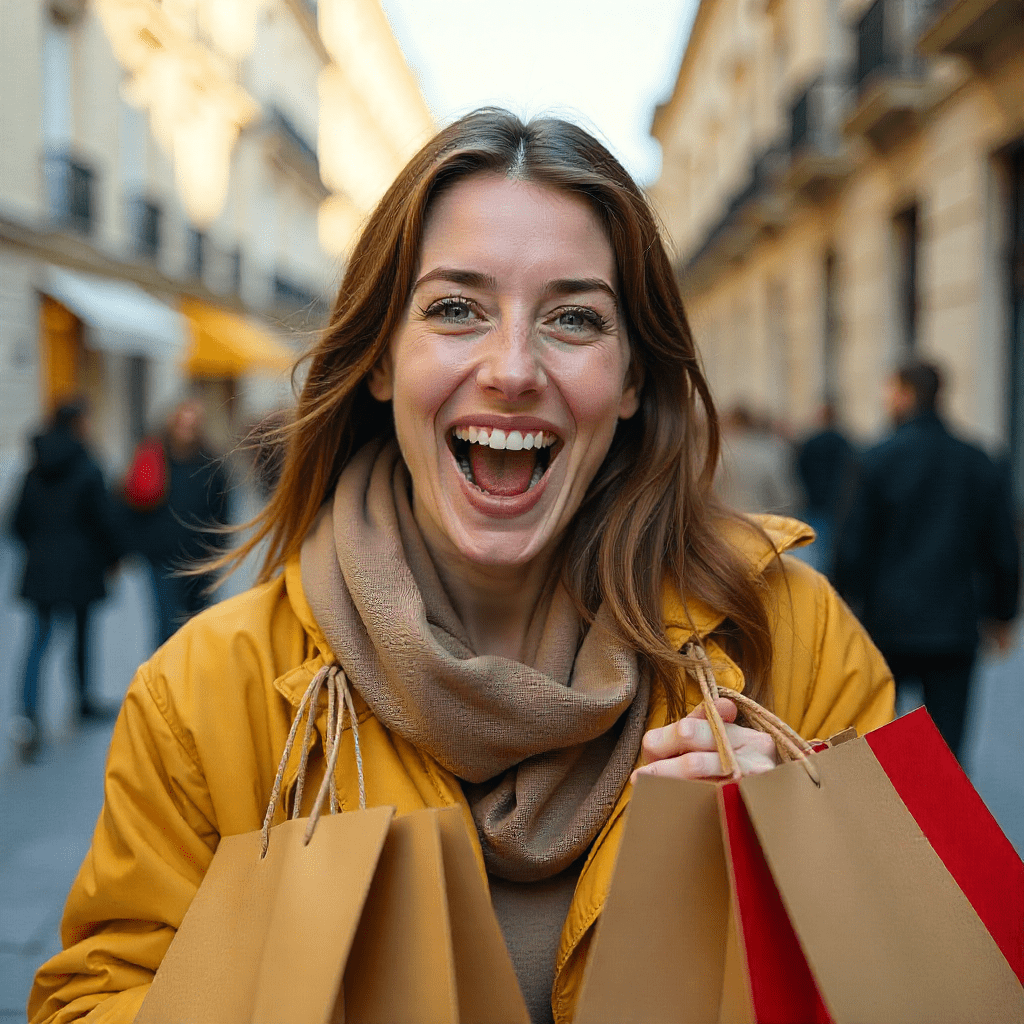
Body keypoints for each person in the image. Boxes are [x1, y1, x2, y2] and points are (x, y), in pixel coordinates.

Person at [28, 110, 894, 1024]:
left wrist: (798, 872)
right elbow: (94, 999)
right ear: (380, 362)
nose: (512, 368)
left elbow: (922, 970)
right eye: (454, 309)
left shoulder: (790, 641)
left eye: (573, 318)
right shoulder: (204, 695)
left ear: (634, 380)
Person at [835, 361, 1019, 762]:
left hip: (885, 624)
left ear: (904, 394)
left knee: (878, 741)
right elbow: (1003, 548)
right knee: (947, 752)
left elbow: (851, 549)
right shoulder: (979, 460)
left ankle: (887, 820)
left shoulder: (875, 460)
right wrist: (1003, 615)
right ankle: (941, 821)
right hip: (953, 624)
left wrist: (843, 606)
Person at [9, 399, 122, 757]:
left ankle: (28, 715)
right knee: (82, 634)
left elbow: (17, 522)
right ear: (79, 423)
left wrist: (40, 546)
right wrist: (112, 556)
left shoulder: (33, 466)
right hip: (80, 564)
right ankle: (82, 700)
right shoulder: (87, 465)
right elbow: (104, 519)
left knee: (37, 642)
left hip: (41, 565)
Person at [126, 398, 231, 645]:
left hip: (200, 561)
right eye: (182, 422)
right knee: (166, 626)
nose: (186, 429)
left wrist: (217, 553)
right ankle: (164, 682)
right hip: (163, 558)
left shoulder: (212, 464)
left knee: (197, 626)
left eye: (192, 424)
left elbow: (222, 514)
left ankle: (191, 680)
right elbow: (134, 503)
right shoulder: (155, 457)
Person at [793, 403, 857, 579]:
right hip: (837, 503)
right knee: (833, 548)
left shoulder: (810, 443)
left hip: (814, 502)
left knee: (816, 550)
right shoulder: (844, 442)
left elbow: (799, 472)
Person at [717, 404, 803, 516]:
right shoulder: (768, 451)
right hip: (762, 523)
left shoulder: (718, 454)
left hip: (724, 523)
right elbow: (784, 496)